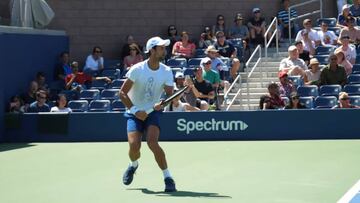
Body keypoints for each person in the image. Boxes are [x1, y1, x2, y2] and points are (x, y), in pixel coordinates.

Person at [119, 36, 176, 192]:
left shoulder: (167, 71)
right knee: (134, 146)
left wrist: (163, 102)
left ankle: (168, 178)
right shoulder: (137, 69)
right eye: (161, 48)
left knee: (152, 142)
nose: (165, 50)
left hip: (153, 112)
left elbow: (170, 96)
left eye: (165, 47)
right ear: (152, 50)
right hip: (133, 111)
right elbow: (122, 93)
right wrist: (136, 111)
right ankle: (133, 165)